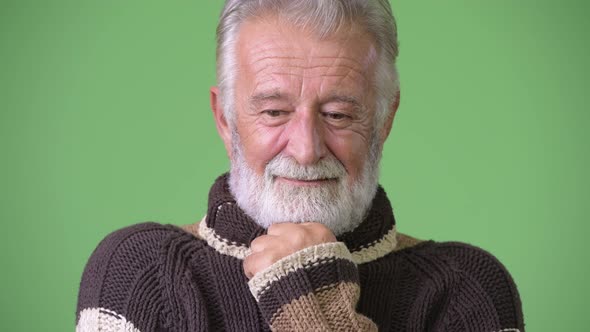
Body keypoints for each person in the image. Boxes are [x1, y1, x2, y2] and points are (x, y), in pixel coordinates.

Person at [76, 0, 525, 331]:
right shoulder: (139, 270)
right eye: (273, 112)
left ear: (384, 119)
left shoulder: (471, 289)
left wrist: (313, 307)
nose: (306, 150)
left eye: (338, 115)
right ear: (225, 119)